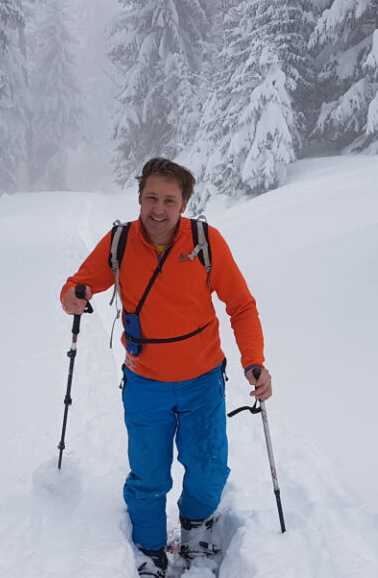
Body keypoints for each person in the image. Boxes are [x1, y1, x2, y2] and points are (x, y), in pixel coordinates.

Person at [60, 158, 272, 578]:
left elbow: (242, 306)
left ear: (184, 203)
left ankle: (197, 532)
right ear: (140, 197)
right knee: (149, 472)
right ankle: (149, 548)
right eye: (152, 198)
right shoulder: (119, 242)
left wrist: (254, 361)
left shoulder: (206, 242)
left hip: (202, 380)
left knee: (209, 465)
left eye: (169, 200)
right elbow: (77, 283)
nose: (159, 208)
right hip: (145, 383)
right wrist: (72, 296)